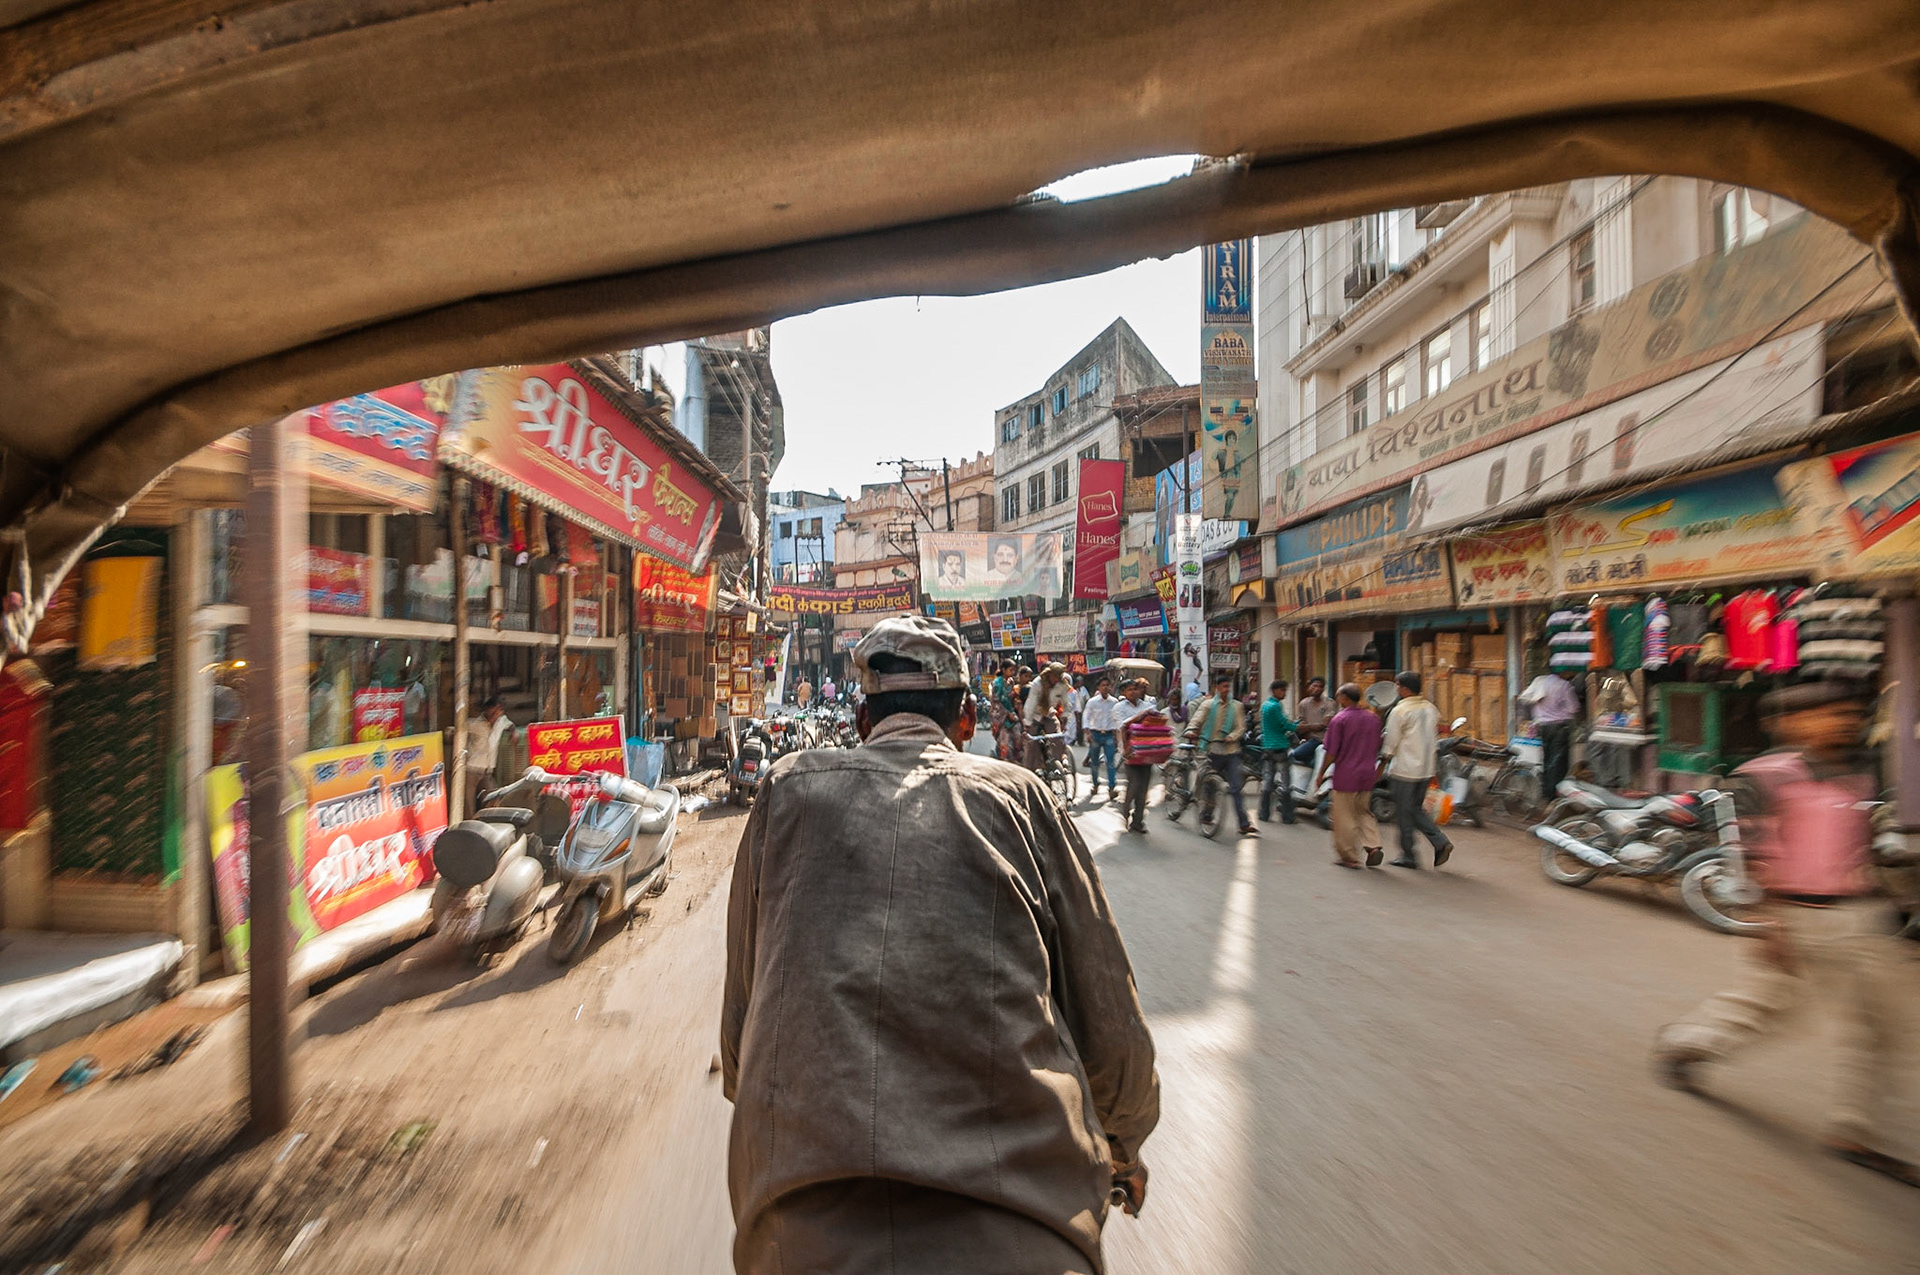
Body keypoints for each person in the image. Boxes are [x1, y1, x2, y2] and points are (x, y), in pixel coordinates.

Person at [722, 615, 1160, 1271]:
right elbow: (1112, 1035)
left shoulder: (786, 791)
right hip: (1025, 1236)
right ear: (966, 720)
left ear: (863, 721)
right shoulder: (1022, 801)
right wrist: (1122, 1146)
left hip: (796, 1234)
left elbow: (739, 1040)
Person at [1652, 681, 1919, 1188]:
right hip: (1794, 914)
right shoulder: (1764, 777)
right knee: (1766, 1008)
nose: (1841, 722)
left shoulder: (1861, 770)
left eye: (1845, 713)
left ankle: (1859, 1132)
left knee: (1880, 1025)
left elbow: (1864, 842)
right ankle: (1688, 1045)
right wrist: (1767, 922)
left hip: (1857, 914)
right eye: (1826, 714)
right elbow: (1751, 852)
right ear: (1791, 723)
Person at [1381, 670, 1454, 869]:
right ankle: (1439, 842)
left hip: (1404, 769)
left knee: (1405, 812)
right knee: (1414, 809)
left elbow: (1391, 742)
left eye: (1397, 685)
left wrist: (1382, 761)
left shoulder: (1399, 711)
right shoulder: (1430, 708)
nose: (1396, 689)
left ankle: (1409, 854)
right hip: (1425, 768)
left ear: (1403, 688)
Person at [1311, 683, 1384, 869]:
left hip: (1346, 774)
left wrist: (1321, 773)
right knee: (1363, 811)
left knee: (1344, 816)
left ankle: (1349, 855)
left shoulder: (1339, 719)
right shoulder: (1373, 719)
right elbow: (1378, 745)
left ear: (1344, 698)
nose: (1337, 700)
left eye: (1338, 696)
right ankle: (1373, 845)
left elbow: (1331, 752)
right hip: (1367, 772)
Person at [1184, 669, 1255, 837]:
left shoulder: (1236, 706)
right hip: (1212, 750)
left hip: (1231, 752)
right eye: (1223, 687)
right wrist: (1191, 730)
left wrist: (1232, 736)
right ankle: (1207, 815)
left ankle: (1244, 823)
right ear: (1216, 687)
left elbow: (1241, 727)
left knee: (1236, 788)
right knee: (1209, 785)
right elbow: (1197, 719)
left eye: (1228, 687)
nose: (1226, 690)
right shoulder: (1208, 705)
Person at [1520, 667, 1581, 799]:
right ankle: (1555, 794)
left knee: (1547, 760)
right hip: (1559, 727)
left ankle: (1547, 793)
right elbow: (1573, 708)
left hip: (1544, 727)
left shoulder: (1539, 683)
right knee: (1559, 762)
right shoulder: (1564, 686)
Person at [1117, 679, 1167, 833]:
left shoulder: (1148, 706)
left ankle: (1138, 822)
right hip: (1130, 752)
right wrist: (1140, 717)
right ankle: (1125, 811)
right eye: (1129, 689)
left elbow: (1157, 721)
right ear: (1123, 693)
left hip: (1147, 751)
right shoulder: (1119, 707)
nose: (1133, 692)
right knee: (1134, 784)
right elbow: (1122, 726)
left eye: (1135, 689)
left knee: (1144, 788)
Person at [1258, 679, 1298, 824]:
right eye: (1282, 690)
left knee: (1268, 781)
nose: (1284, 693)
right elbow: (1284, 725)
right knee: (1286, 782)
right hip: (1279, 746)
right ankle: (1287, 816)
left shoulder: (1265, 705)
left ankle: (1264, 814)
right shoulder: (1275, 706)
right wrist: (1297, 726)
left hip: (1267, 746)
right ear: (1275, 691)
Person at [463, 693, 512, 815]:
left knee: (493, 797)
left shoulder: (502, 721)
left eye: (498, 712)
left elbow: (510, 725)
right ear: (487, 709)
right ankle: (469, 825)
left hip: (488, 771)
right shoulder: (474, 724)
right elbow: (456, 731)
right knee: (469, 804)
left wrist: (514, 732)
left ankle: (488, 822)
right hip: (471, 769)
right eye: (492, 711)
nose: (495, 715)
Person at [1023, 663, 1072, 771]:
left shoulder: (1062, 685)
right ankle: (1030, 770)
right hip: (1035, 715)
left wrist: (1064, 717)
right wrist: (1027, 724)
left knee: (1057, 736)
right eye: (1054, 676)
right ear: (1049, 674)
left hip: (1049, 713)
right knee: (1031, 744)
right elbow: (1030, 704)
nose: (1055, 679)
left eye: (1058, 677)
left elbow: (1067, 703)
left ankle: (1059, 760)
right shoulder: (1038, 683)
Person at [1082, 674, 1121, 799]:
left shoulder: (1114, 702)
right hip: (1095, 735)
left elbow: (1116, 720)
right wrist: (1087, 733)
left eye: (1107, 685)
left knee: (1110, 762)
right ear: (1098, 687)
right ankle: (1095, 783)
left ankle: (1111, 786)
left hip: (1109, 735)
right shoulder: (1092, 702)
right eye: (1103, 685)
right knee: (1094, 763)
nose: (1105, 687)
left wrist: (1116, 737)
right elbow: (1086, 717)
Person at [1290, 677, 1334, 770]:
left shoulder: (1329, 703)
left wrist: (1306, 727)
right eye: (1314, 686)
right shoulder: (1304, 703)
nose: (1317, 688)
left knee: (1298, 754)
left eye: (1320, 686)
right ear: (1309, 687)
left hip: (1321, 739)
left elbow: (1323, 725)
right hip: (1309, 739)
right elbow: (1301, 722)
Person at [1066, 673, 1088, 747]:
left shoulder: (1073, 692)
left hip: (1072, 716)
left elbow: (1076, 707)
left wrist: (1077, 718)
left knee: (1073, 731)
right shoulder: (1058, 691)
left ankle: (1078, 741)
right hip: (1062, 716)